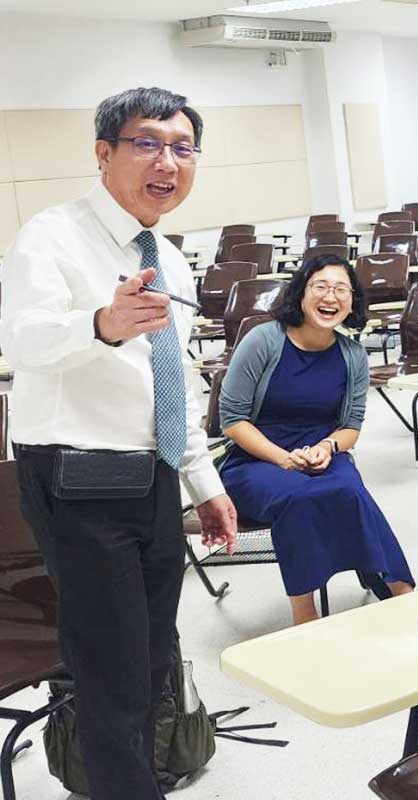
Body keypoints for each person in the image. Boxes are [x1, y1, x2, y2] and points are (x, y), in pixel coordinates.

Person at [0, 87, 237, 800]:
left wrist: (204, 484)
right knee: (112, 675)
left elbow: (173, 382)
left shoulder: (169, 258)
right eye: (147, 144)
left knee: (152, 662)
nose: (168, 162)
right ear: (104, 152)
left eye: (183, 148)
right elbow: (22, 341)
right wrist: (101, 324)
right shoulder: (51, 235)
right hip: (76, 479)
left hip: (152, 476)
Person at [219, 255, 415, 625]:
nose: (331, 297)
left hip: (322, 455)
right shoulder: (264, 339)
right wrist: (282, 458)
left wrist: (327, 447)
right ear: (300, 293)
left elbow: (351, 427)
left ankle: (399, 589)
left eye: (341, 289)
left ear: (352, 302)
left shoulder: (352, 355)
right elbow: (232, 421)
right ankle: (304, 612)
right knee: (298, 497)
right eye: (320, 287)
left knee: (349, 490)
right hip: (254, 459)